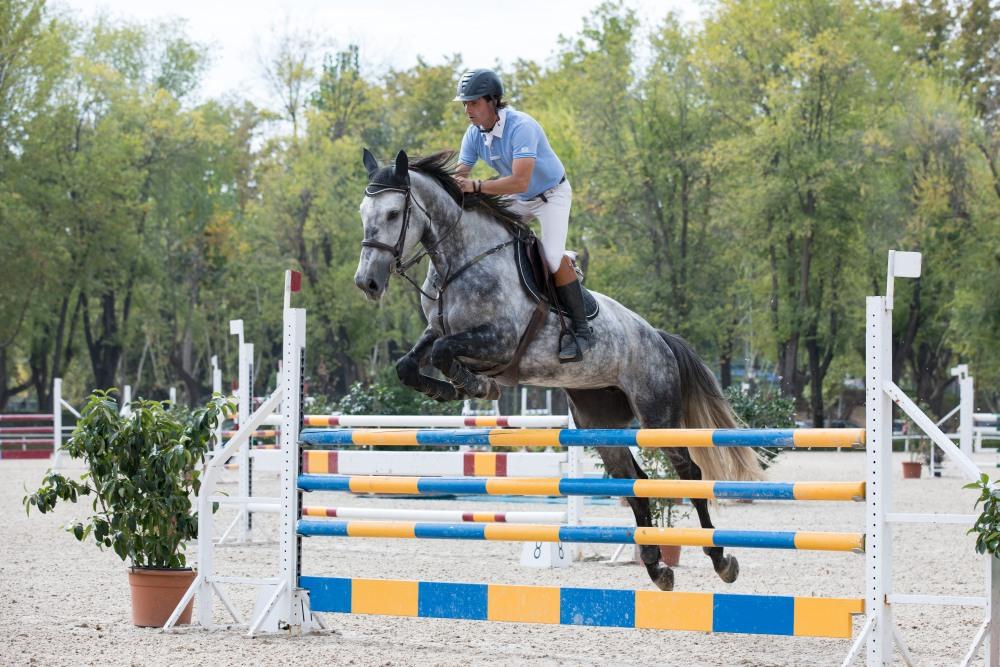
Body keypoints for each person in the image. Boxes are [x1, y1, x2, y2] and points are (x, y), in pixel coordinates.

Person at [451, 68, 591, 362]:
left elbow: (519, 181)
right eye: (465, 104)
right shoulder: (474, 134)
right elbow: (460, 174)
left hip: (551, 196)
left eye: (473, 102)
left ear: (492, 101)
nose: (468, 109)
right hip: (519, 198)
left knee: (552, 258)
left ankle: (581, 330)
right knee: (487, 239)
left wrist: (476, 186)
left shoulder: (521, 127)